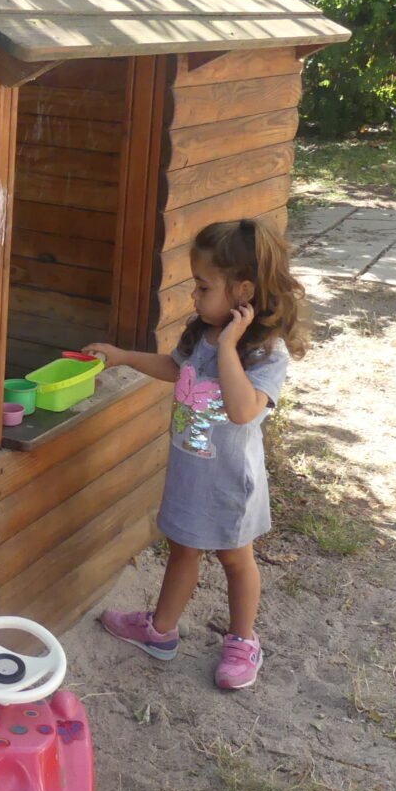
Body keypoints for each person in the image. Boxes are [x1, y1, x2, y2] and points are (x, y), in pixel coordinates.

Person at [83, 218, 309, 690]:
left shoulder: (266, 353)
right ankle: (160, 632)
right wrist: (124, 356)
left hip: (230, 481)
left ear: (242, 291)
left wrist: (228, 345)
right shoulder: (200, 331)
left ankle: (243, 640)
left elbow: (244, 410)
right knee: (182, 549)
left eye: (203, 286)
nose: (194, 296)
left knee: (235, 559)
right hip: (190, 471)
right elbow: (174, 367)